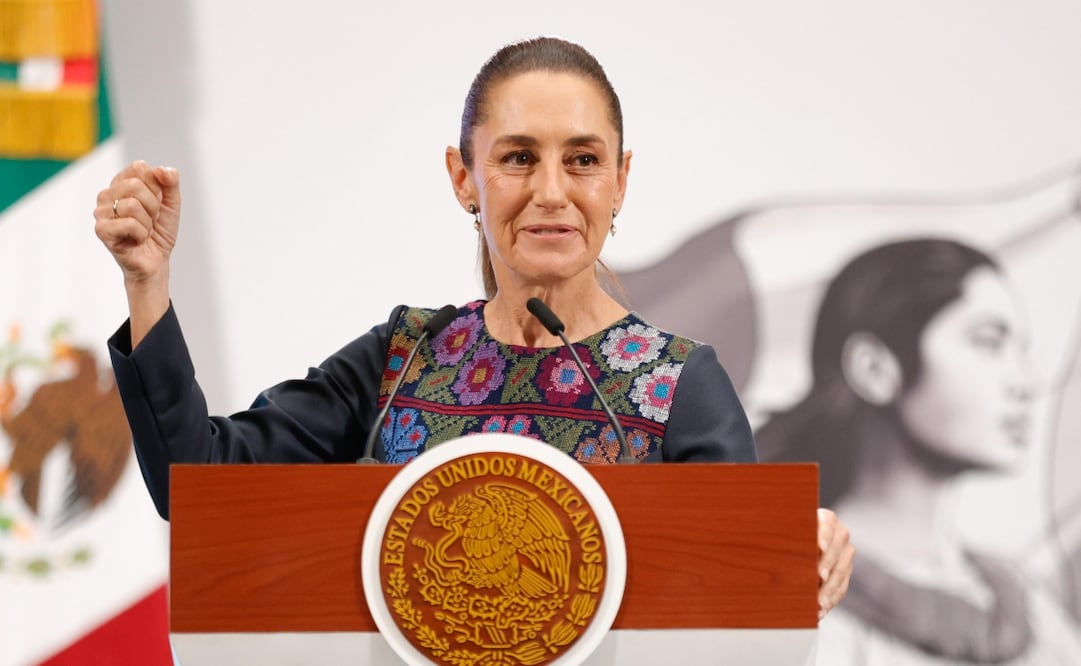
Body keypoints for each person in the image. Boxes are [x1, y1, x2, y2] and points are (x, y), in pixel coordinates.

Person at [92, 36, 852, 618]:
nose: (551, 192)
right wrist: (147, 284)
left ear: (620, 180)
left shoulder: (680, 387)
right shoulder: (403, 359)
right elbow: (200, 486)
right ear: (464, 178)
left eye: (582, 160)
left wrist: (800, 550)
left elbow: (740, 596)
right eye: (518, 158)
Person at [757, 238, 1081, 663]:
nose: (1026, 382)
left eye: (1020, 351)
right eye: (988, 342)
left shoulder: (1033, 609)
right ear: (874, 369)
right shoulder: (780, 606)